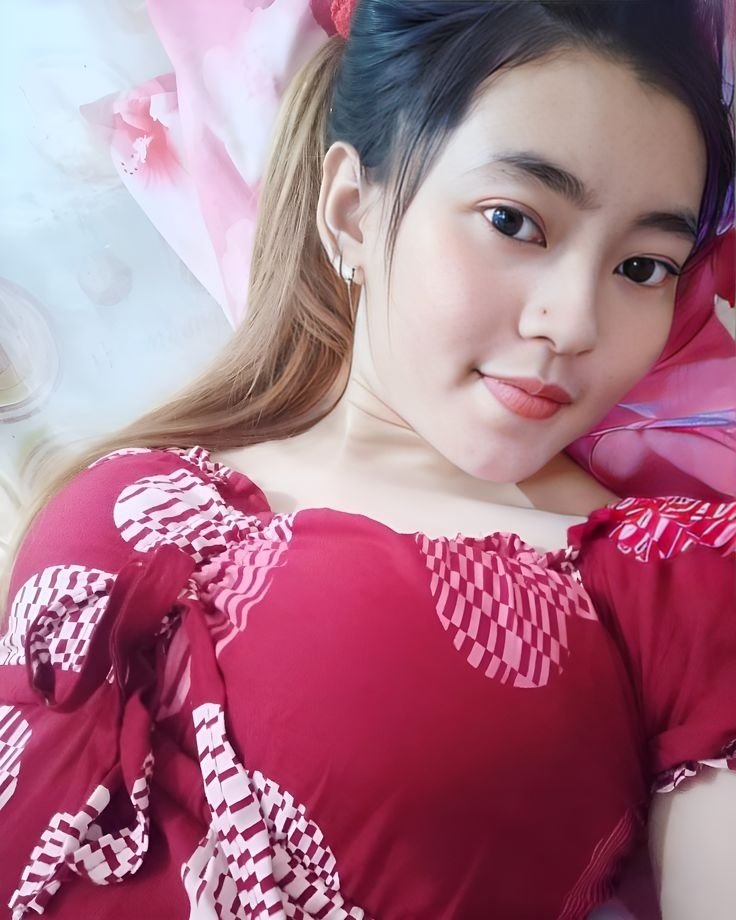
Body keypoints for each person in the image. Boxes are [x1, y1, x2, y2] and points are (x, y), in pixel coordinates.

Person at [0, 0, 734, 917]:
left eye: (643, 268)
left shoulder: (680, 581)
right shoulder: (136, 487)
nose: (576, 322)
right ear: (352, 210)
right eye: (513, 221)